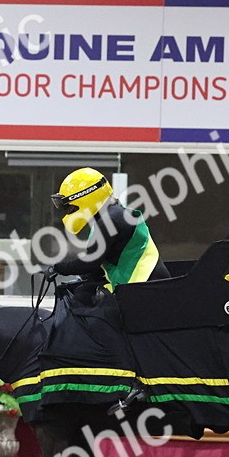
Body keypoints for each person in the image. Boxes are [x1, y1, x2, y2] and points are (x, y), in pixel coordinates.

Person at [48, 167, 170, 411]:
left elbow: (90, 260)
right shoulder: (105, 218)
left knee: (101, 321)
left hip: (144, 290)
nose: (70, 212)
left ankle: (138, 382)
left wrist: (58, 267)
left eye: (71, 206)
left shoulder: (113, 219)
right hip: (136, 289)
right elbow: (98, 266)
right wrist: (78, 281)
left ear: (87, 197)